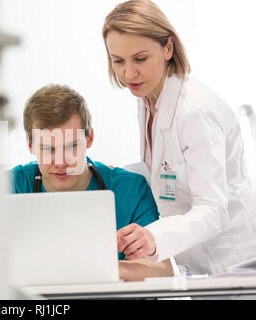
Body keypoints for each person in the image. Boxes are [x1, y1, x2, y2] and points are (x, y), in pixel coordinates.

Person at [102, 0, 256, 275]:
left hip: (235, 262)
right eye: (118, 61)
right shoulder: (148, 99)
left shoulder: (195, 110)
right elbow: (166, 173)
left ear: (168, 48)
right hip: (199, 263)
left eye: (140, 59)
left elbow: (212, 209)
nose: (129, 73)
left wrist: (153, 238)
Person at [10, 84, 173, 281]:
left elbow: (163, 269)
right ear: (30, 146)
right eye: (49, 149)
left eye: (71, 147)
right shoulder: (10, 187)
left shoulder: (130, 190)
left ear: (89, 138)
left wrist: (102, 267)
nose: (61, 161)